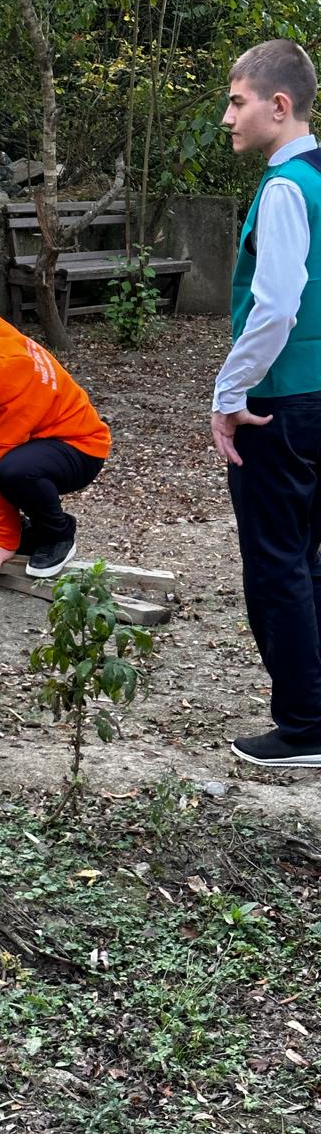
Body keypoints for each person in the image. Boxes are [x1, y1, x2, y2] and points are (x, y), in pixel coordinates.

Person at [212, 38, 321, 768]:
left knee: (278, 563)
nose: (227, 117)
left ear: (279, 106)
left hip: (281, 406)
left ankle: (305, 727)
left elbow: (276, 305)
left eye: (236, 101)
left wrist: (229, 392)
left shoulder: (285, 188)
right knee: (311, 562)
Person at [0, 308, 110, 579]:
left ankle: (58, 536)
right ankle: (29, 540)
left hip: (80, 446)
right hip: (37, 433)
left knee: (12, 472)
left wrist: (4, 543)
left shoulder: (9, 404)